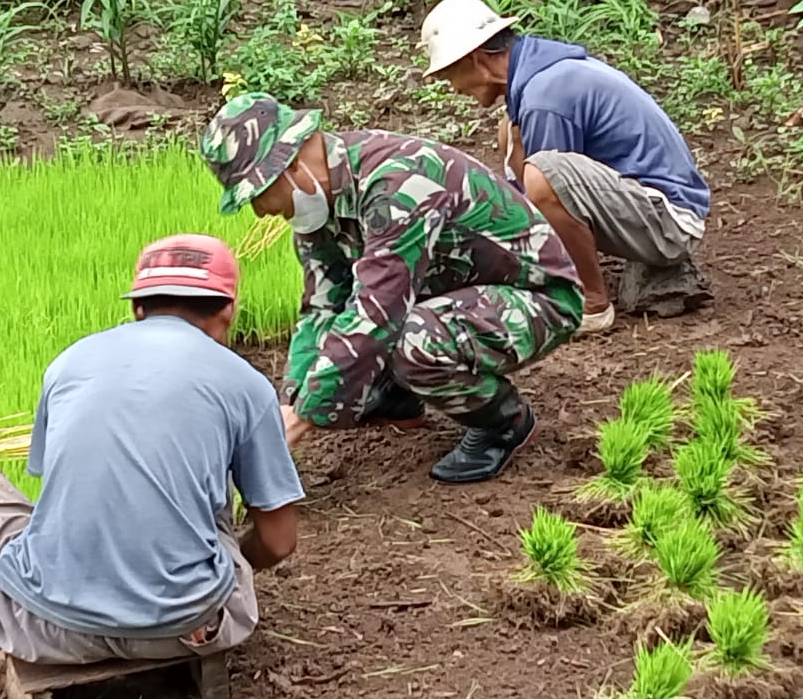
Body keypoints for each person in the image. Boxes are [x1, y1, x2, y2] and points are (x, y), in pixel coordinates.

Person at [0, 233, 305, 666]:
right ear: (229, 308)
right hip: (191, 629)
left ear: (137, 308)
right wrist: (226, 567)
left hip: (42, 630)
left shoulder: (69, 363)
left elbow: (63, 490)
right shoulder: (246, 383)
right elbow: (279, 540)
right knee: (205, 507)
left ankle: (32, 607)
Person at [197, 92, 584, 485]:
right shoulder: (319, 206)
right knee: (356, 337)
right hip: (446, 293)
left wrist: (300, 420)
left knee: (412, 341)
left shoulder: (398, 184)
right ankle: (397, 395)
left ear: (290, 165)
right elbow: (321, 308)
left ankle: (503, 420)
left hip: (536, 297)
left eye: (257, 195)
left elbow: (378, 313)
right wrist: (291, 398)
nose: (260, 211)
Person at [418, 0, 715, 332]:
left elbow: (542, 198)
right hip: (651, 206)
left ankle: (590, 303)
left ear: (474, 60)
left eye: (449, 76)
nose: (454, 89)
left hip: (670, 223)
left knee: (544, 174)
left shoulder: (546, 95)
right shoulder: (542, 77)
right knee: (514, 137)